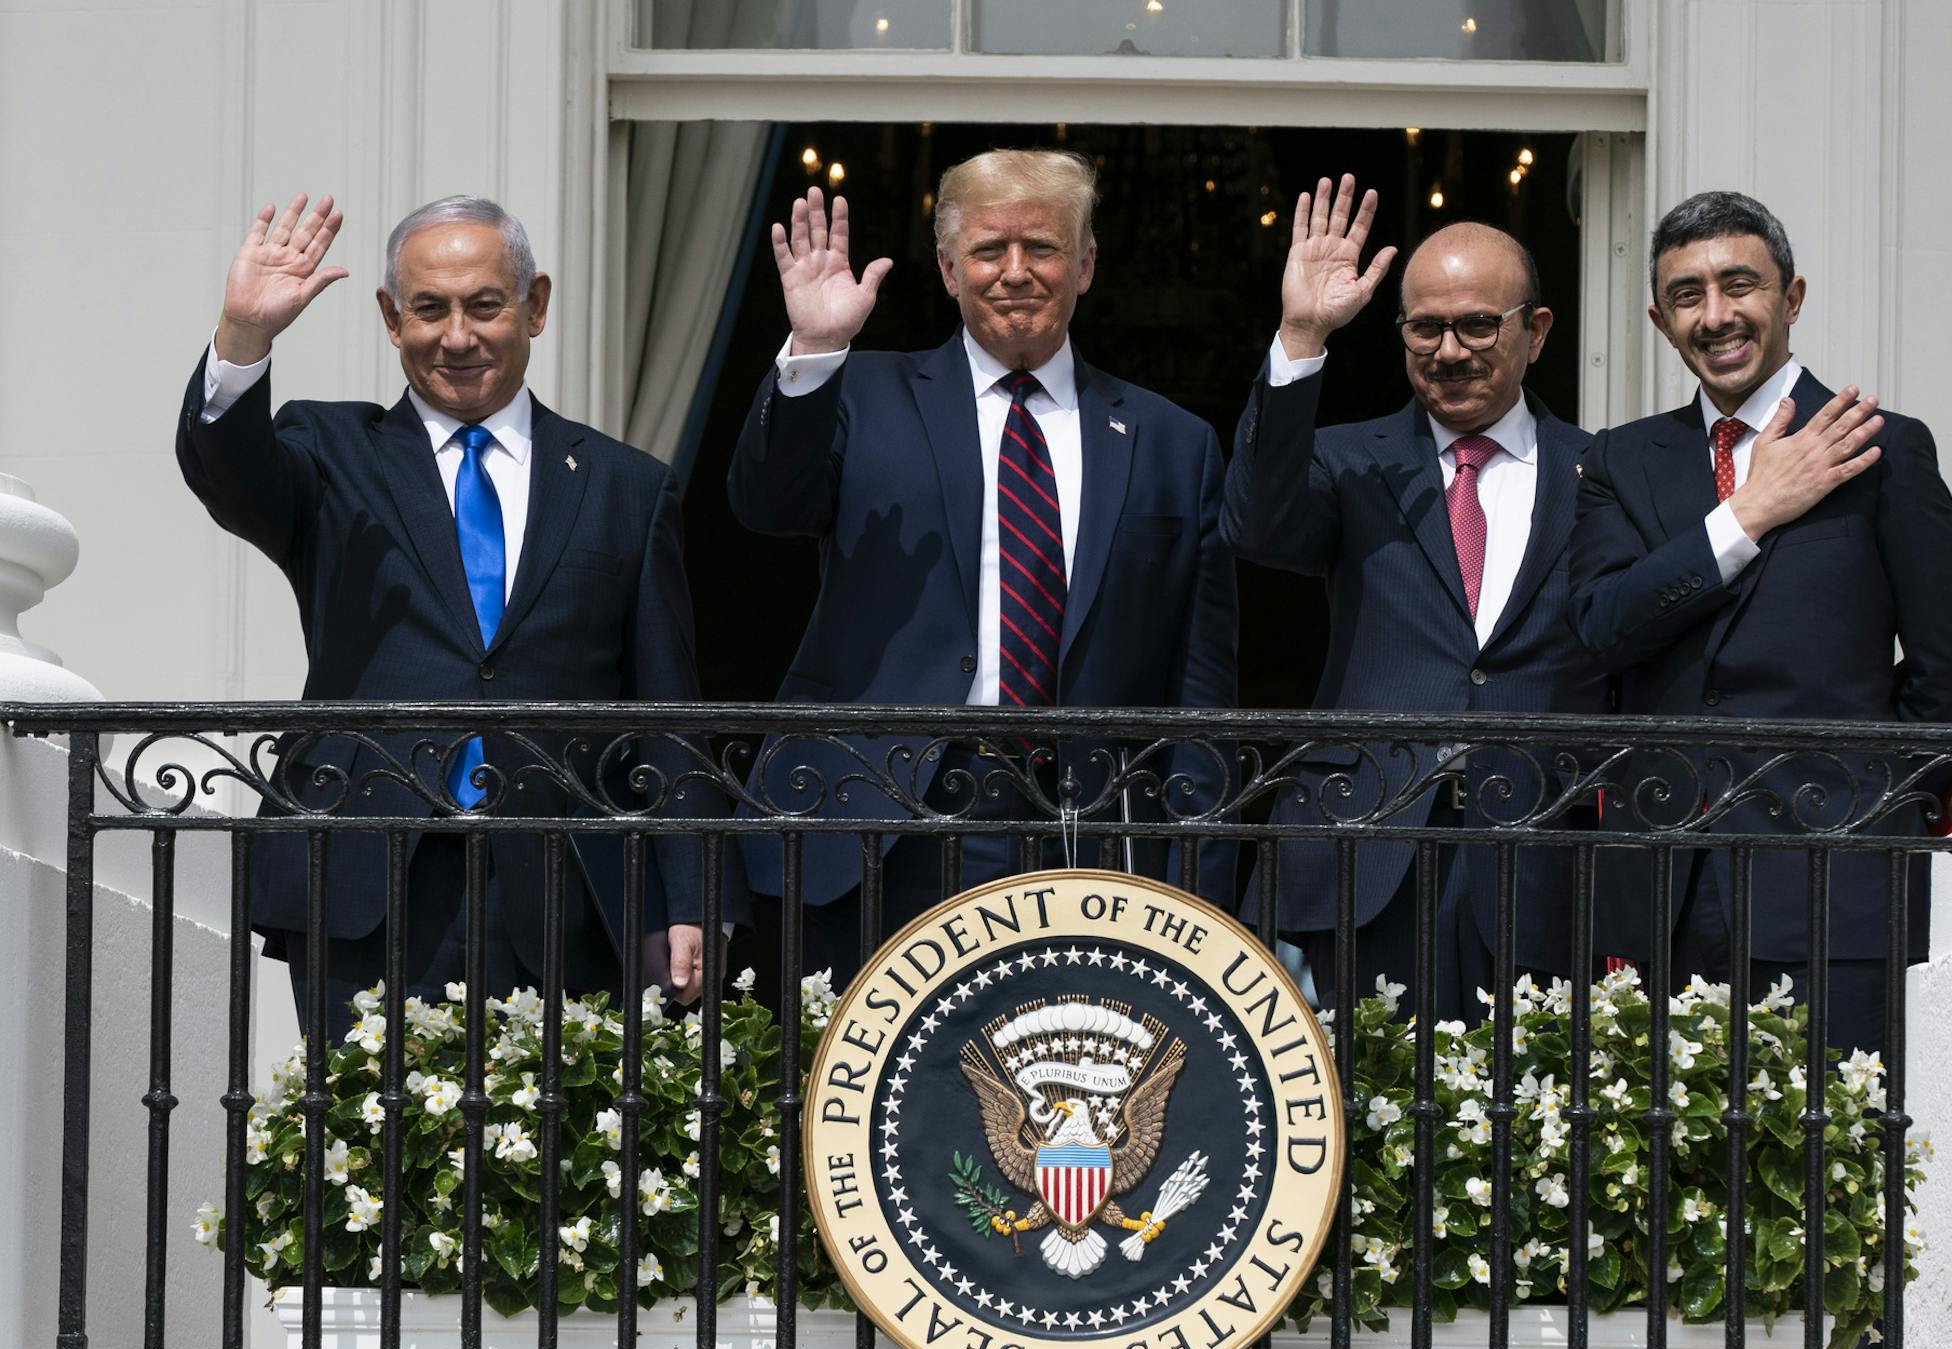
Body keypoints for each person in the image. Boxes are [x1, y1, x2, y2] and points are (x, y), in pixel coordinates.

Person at [1569, 190, 1952, 1349]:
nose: (1717, 314)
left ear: (1792, 296)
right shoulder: (1624, 462)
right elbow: (1599, 628)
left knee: (1838, 1190)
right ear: (1659, 319)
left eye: (1740, 285)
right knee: (1666, 1180)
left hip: (1832, 884)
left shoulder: (1879, 447)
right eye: (1689, 295)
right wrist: (1748, 514)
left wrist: (1864, 800)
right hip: (1664, 887)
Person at [177, 192, 737, 1020]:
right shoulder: (331, 453)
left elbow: (666, 708)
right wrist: (243, 336)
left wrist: (692, 891)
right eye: (430, 309)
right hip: (368, 873)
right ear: (391, 318)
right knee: (362, 1110)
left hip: (569, 886)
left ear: (535, 306)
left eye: (484, 305)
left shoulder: (626, 486)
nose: (458, 336)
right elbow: (226, 472)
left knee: (561, 1111)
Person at [727, 150, 1238, 979]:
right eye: (989, 250)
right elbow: (767, 506)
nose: (1016, 272)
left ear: (1085, 266)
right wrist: (815, 349)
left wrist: (1199, 884)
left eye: (1042, 248)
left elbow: (1200, 686)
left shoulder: (1173, 442)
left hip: (1089, 834)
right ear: (947, 269)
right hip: (881, 824)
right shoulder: (860, 394)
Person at [1223, 177, 1610, 1015]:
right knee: (1357, 1090)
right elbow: (1256, 526)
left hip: (1542, 855)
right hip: (1367, 845)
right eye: (1425, 328)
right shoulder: (1350, 461)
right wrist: (1302, 335)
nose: (1450, 351)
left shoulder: (1603, 473)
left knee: (1533, 1093)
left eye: (1479, 325)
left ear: (1538, 332)